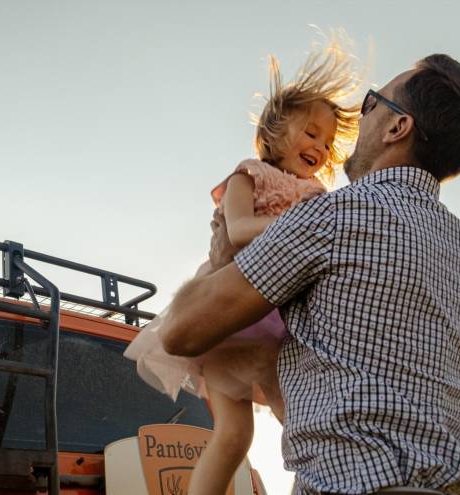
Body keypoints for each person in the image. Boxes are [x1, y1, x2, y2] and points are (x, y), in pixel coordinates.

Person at [160, 54, 460, 495]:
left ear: (398, 127)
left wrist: (224, 252)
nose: (358, 121)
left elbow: (181, 332)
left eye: (371, 103)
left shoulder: (334, 215)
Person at [123, 40, 361, 495]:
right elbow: (238, 231)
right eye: (311, 132)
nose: (320, 147)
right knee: (250, 431)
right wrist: (298, 225)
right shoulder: (249, 175)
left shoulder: (316, 195)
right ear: (275, 130)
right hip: (227, 317)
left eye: (328, 142)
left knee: (278, 429)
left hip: (277, 325)